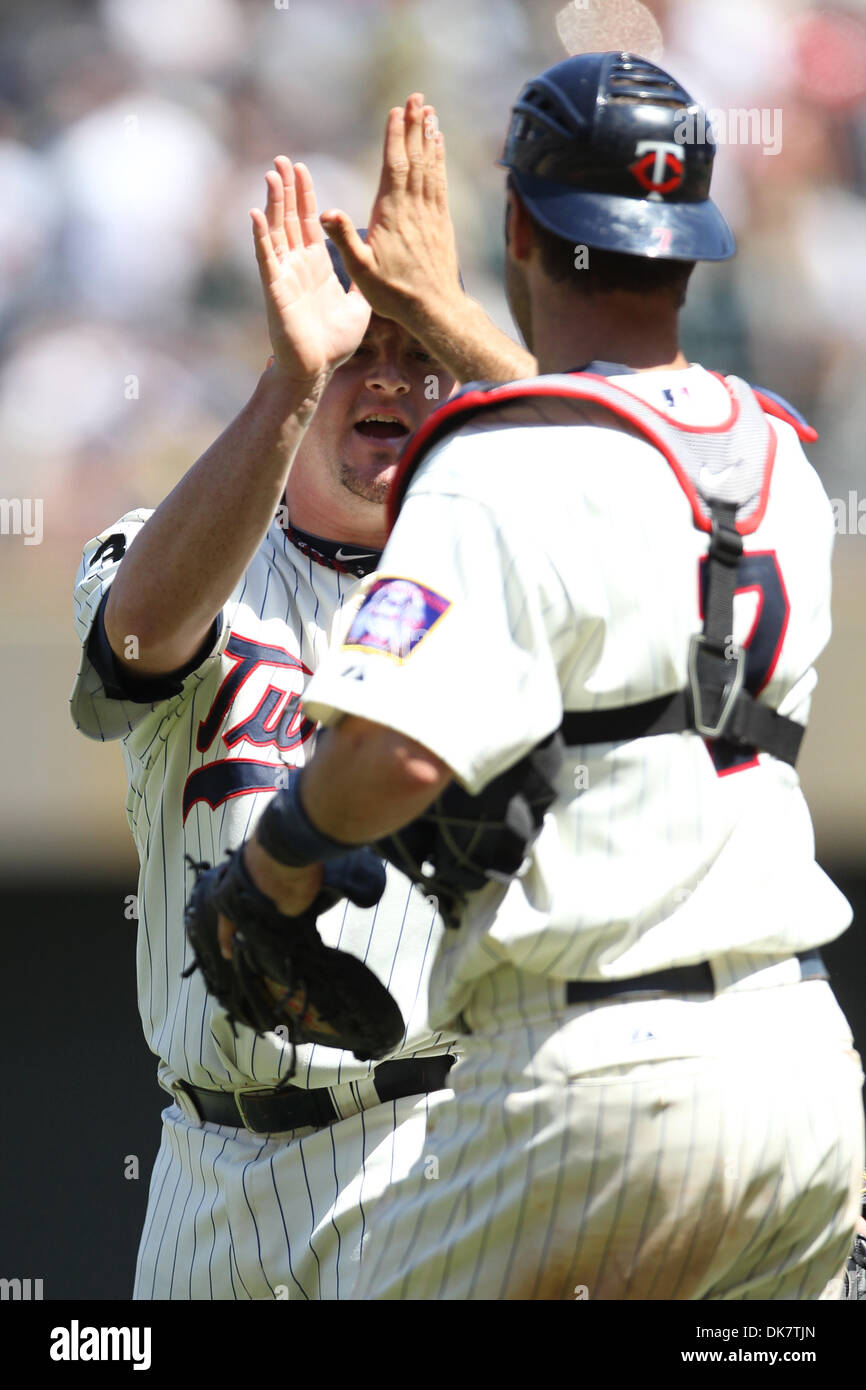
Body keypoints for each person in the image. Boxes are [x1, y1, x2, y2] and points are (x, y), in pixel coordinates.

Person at [219, 53, 865, 1300]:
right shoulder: (778, 461)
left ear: (516, 224)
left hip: (587, 1078)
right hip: (800, 1075)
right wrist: (456, 321)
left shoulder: (493, 466)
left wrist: (280, 855)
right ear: (691, 244)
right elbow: (623, 456)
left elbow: (394, 754)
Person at [69, 92, 535, 1300]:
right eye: (355, 352)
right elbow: (140, 634)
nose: (384, 377)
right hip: (201, 1168)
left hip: (419, 1145)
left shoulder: (506, 570)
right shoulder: (183, 548)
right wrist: (287, 379)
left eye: (414, 354)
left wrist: (460, 323)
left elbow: (636, 496)